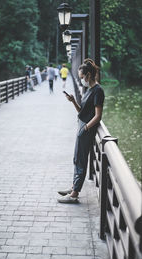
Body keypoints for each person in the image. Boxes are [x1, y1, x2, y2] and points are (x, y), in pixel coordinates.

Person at [57, 58, 105, 203]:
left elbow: (98, 116)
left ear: (89, 75)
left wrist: (85, 128)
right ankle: (73, 187)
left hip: (86, 129)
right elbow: (82, 112)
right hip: (82, 127)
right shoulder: (89, 90)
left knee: (81, 161)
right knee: (77, 158)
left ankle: (74, 194)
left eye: (82, 77)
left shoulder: (98, 91)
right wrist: (73, 102)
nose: (81, 79)